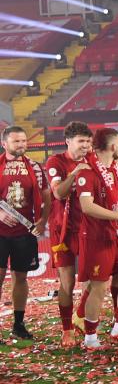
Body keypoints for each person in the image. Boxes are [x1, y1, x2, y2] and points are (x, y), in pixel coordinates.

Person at [75, 128, 118, 349]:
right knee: (98, 287)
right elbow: (86, 206)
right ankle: (90, 337)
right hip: (97, 238)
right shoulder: (87, 171)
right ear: (113, 147)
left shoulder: (116, 169)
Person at [45, 121, 93, 346]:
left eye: (87, 141)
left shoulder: (92, 160)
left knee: (91, 280)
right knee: (66, 283)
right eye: (81, 141)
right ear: (68, 141)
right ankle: (67, 330)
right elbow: (58, 194)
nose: (85, 145)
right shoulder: (55, 162)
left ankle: (84, 322)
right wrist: (74, 173)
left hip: (87, 227)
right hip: (62, 230)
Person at [0, 126, 50, 340]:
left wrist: (43, 220)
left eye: (23, 141)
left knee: (21, 277)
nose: (21, 145)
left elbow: (47, 197)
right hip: (0, 232)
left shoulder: (36, 168)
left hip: (24, 232)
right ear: (4, 144)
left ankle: (18, 325)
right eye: (16, 141)